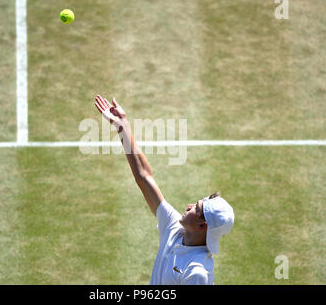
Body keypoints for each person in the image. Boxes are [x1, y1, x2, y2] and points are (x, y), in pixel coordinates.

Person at [94, 95, 235, 285]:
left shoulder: (197, 272)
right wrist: (122, 125)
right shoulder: (174, 229)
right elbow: (144, 177)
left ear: (203, 226)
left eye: (196, 208)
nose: (189, 206)